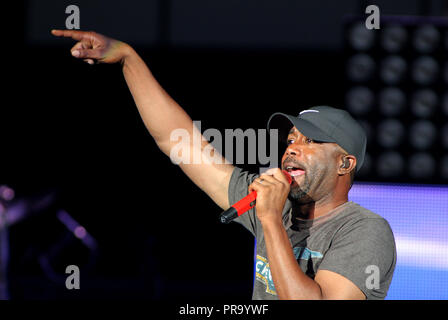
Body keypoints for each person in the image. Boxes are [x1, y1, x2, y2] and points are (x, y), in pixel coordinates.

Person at [51, 29, 397, 300]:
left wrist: (269, 220)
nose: (292, 149)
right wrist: (128, 58)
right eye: (291, 139)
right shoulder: (275, 209)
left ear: (345, 163)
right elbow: (177, 141)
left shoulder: (365, 231)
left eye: (310, 141)